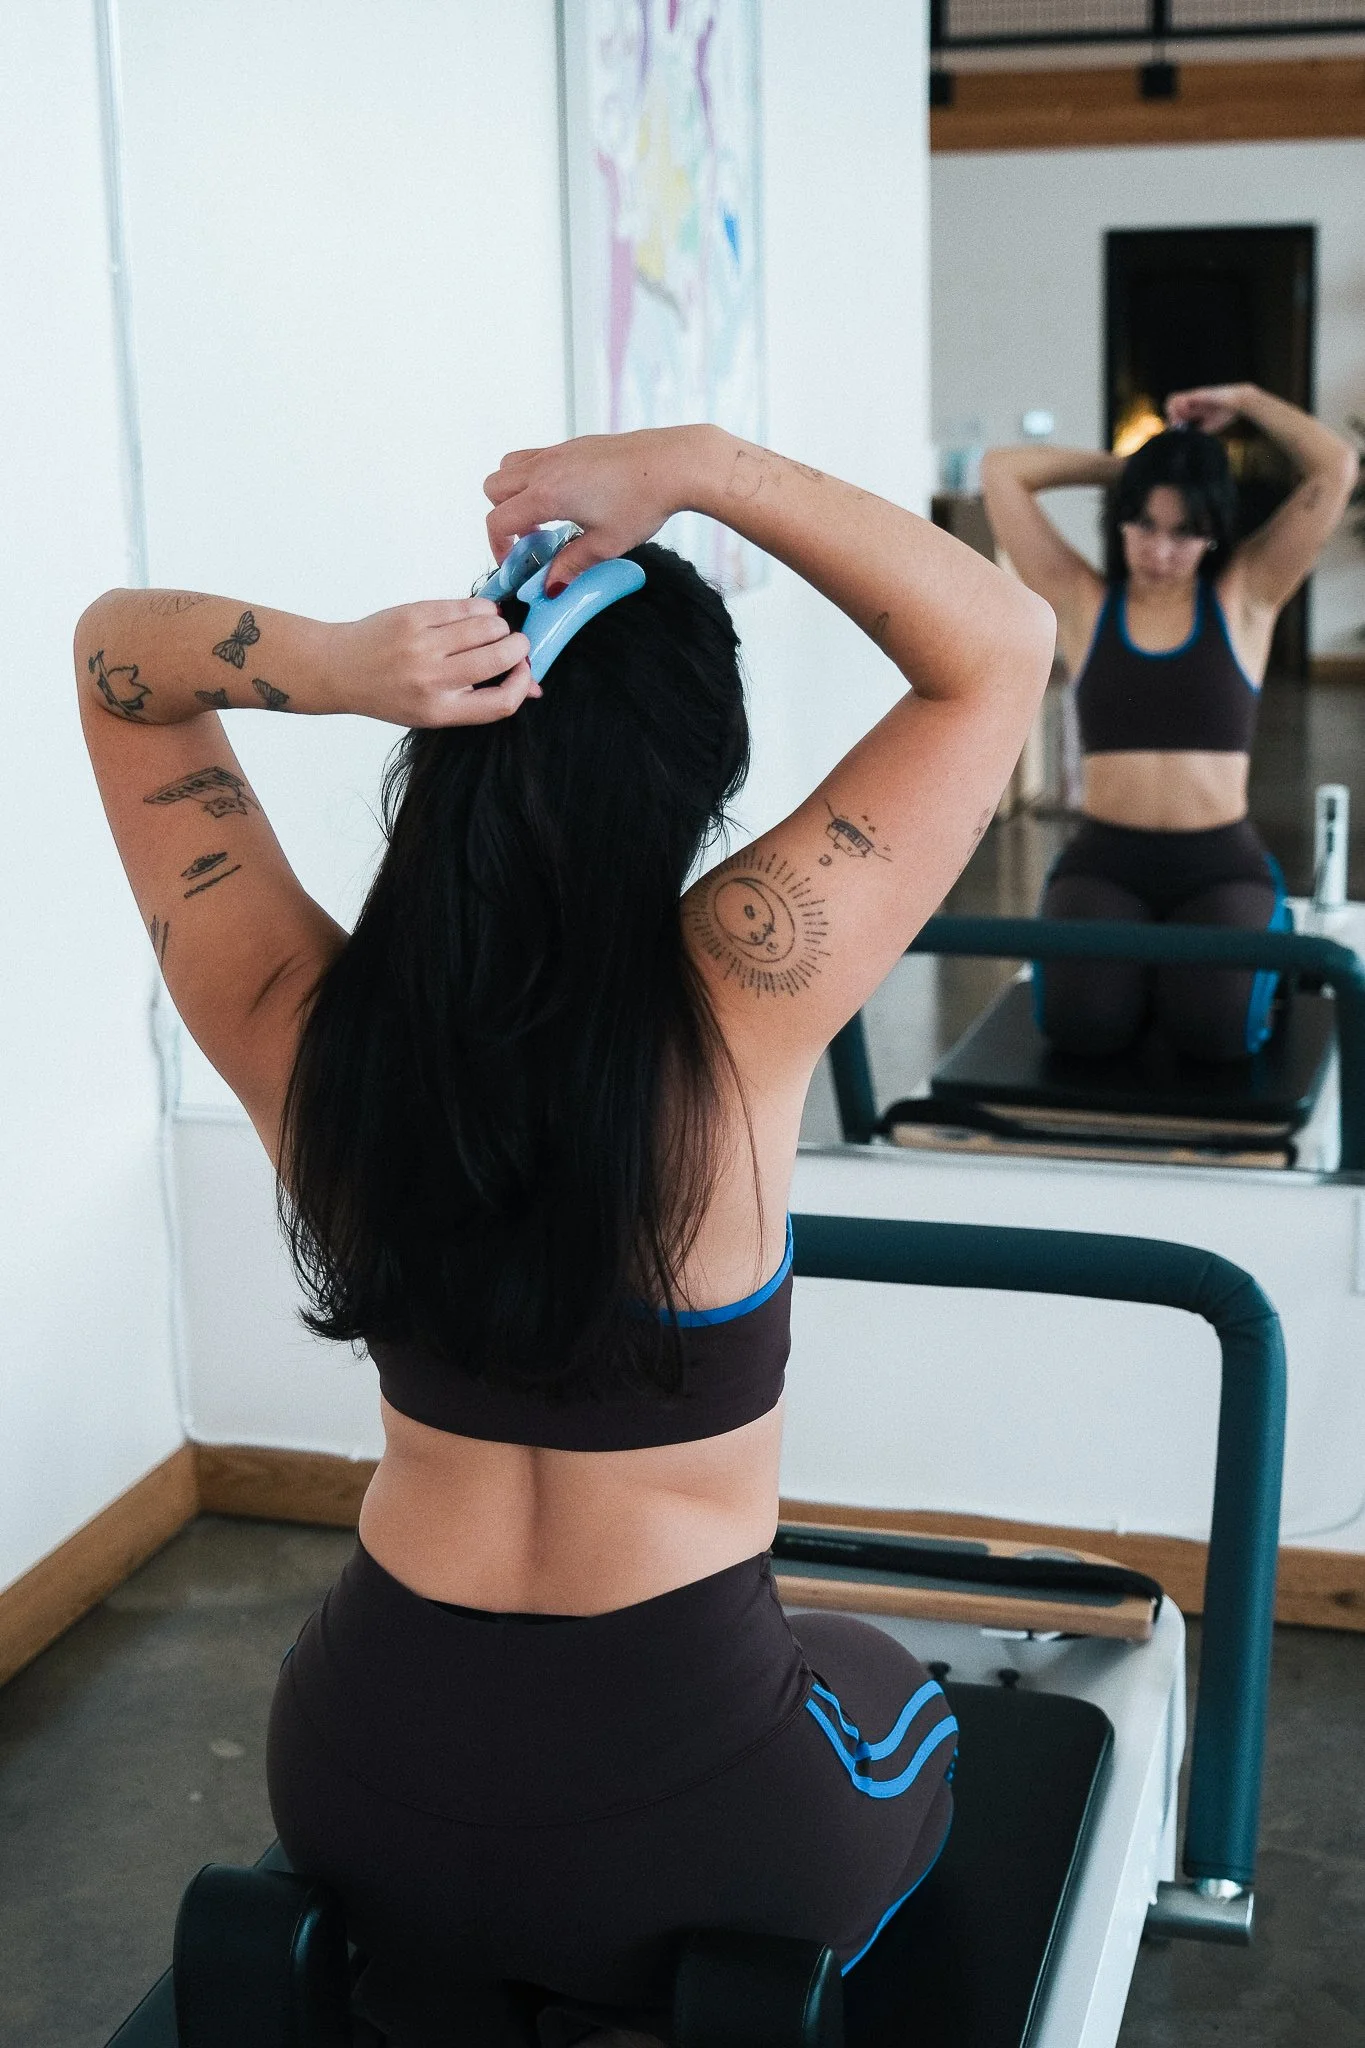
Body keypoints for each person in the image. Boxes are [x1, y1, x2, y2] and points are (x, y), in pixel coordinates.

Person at [76, 424, 1053, 2043]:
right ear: (696, 773)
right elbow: (998, 646)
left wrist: (331, 664)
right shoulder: (742, 993)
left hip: (359, 1779)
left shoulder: (300, 1020)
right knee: (901, 1696)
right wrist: (695, 463)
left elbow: (118, 654)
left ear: (445, 723)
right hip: (694, 1811)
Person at [981, 384, 1358, 1061]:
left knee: (1213, 1037)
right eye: (1143, 524)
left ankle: (1245, 951)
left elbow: (1335, 466)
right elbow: (1002, 471)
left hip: (1219, 866)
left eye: (1183, 531)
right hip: (1105, 862)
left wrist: (1241, 400)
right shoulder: (1081, 600)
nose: (1158, 550)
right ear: (1121, 520)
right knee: (1083, 1031)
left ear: (1212, 533)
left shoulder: (1246, 597)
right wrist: (1147, 463)